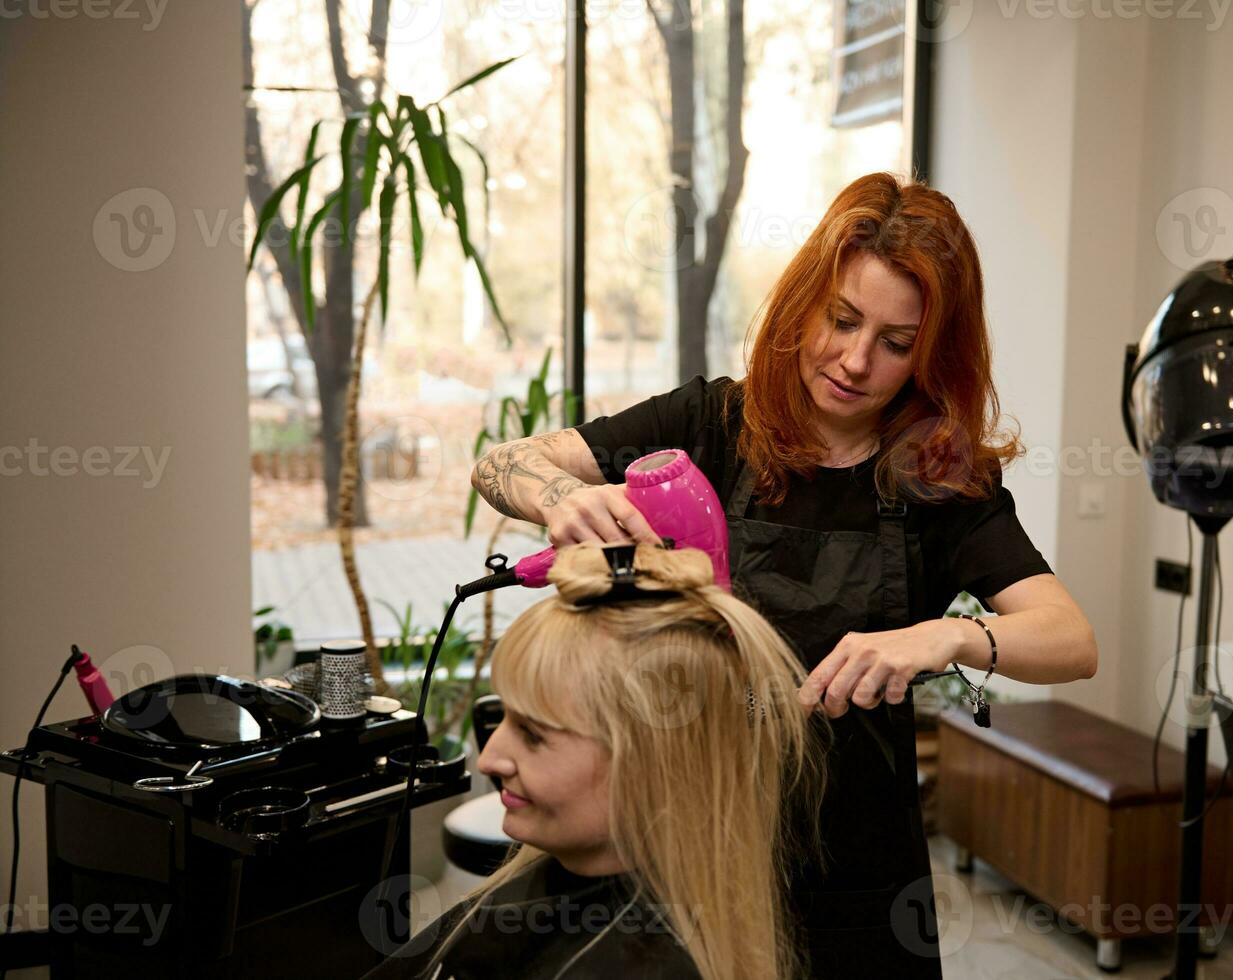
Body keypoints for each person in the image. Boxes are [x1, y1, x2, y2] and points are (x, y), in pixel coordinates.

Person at [470, 171, 1099, 977]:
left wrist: (942, 637)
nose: (854, 359)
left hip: (856, 867)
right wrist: (559, 496)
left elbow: (1069, 639)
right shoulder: (712, 424)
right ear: (805, 302)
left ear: (927, 356)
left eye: (895, 343)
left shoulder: (938, 480)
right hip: (690, 851)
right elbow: (502, 461)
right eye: (840, 320)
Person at [361, 541, 827, 980]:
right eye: (503, 716)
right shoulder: (538, 891)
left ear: (652, 762)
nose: (491, 759)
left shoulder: (646, 963)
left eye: (533, 734)